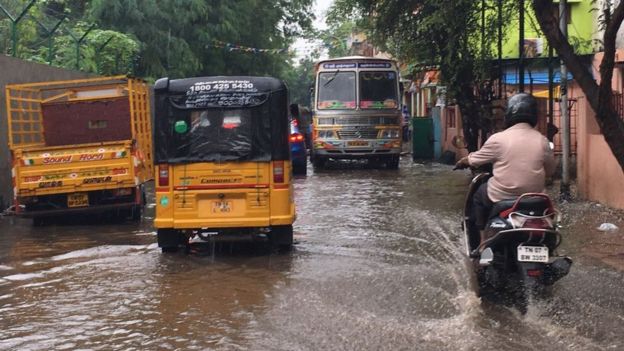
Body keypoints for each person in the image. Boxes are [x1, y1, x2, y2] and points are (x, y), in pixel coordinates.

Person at [455, 93, 556, 247]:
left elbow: (475, 159)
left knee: (478, 196)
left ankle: (482, 242)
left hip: (502, 196)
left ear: (508, 115)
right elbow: (550, 170)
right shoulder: (542, 140)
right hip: (534, 199)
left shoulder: (499, 139)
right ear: (534, 115)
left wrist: (463, 161)